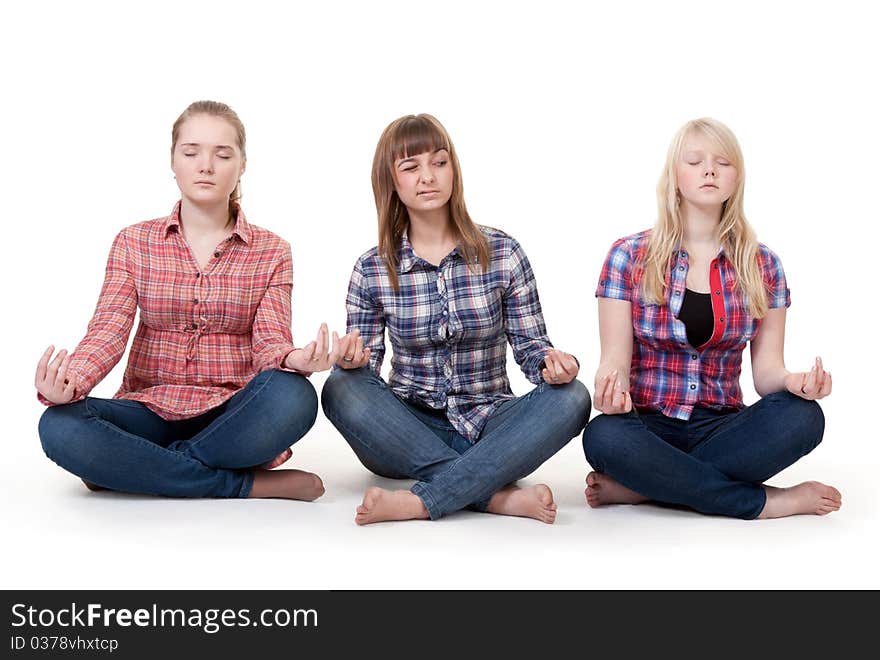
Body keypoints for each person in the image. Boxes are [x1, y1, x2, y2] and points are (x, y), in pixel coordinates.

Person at [36, 100, 347, 501]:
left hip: (233, 414)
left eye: (222, 154)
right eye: (191, 152)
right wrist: (69, 382)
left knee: (295, 396)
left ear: (242, 165)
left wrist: (294, 359)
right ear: (173, 160)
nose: (206, 166)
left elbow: (270, 340)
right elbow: (107, 332)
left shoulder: (273, 251)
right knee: (59, 424)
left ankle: (134, 468)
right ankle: (239, 484)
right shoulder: (133, 242)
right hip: (148, 409)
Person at [321, 114, 590, 525]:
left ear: (453, 170)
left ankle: (420, 500)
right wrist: (353, 361)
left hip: (493, 424)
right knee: (341, 388)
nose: (428, 177)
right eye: (411, 167)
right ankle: (496, 497)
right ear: (392, 182)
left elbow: (532, 348)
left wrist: (553, 366)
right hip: (406, 429)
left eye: (439, 162)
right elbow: (367, 373)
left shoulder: (503, 252)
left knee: (572, 397)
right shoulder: (372, 268)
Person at [582, 117, 841, 519]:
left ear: (736, 178)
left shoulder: (764, 265)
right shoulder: (628, 256)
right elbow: (613, 362)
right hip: (647, 426)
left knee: (804, 417)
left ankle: (649, 487)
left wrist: (795, 382)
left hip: (721, 427)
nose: (709, 170)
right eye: (695, 161)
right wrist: (607, 391)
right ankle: (767, 503)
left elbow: (767, 373)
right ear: (675, 176)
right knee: (603, 436)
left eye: (723, 162)